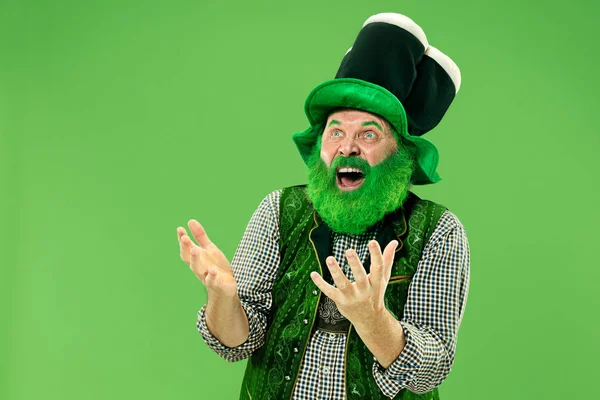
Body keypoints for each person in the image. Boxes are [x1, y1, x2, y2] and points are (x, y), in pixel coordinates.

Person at [176, 12, 470, 400]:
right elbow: (237, 343)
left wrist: (372, 320)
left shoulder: (439, 231)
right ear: (321, 148)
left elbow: (429, 371)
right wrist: (224, 299)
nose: (348, 147)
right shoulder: (278, 210)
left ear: (400, 155)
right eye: (336, 132)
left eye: (369, 133)